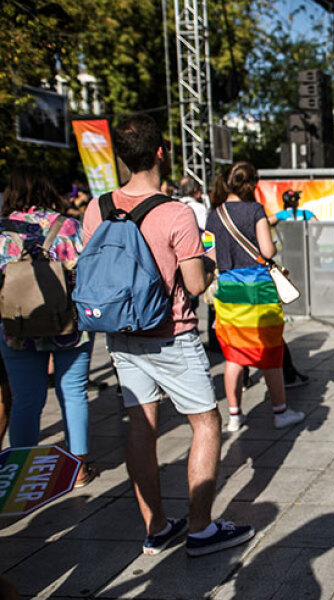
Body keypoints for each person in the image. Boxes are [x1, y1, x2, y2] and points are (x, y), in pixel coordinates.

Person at [82, 114, 254, 557]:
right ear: (161, 152)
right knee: (206, 421)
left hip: (119, 334)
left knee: (141, 427)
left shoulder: (96, 208)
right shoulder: (175, 212)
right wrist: (208, 263)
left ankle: (156, 527)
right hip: (170, 335)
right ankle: (200, 529)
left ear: (120, 157)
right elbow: (195, 285)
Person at [0, 167, 96, 487]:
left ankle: (21, 472)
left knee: (27, 399)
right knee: (73, 393)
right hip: (68, 325)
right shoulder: (68, 225)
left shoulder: (1, 231)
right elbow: (87, 271)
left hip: (17, 327)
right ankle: (78, 469)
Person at [205, 161, 305, 433]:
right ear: (251, 184)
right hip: (259, 290)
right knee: (270, 353)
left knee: (234, 356)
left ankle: (235, 416)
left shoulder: (215, 214)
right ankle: (280, 412)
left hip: (228, 290)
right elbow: (267, 251)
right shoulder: (255, 210)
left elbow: (209, 253)